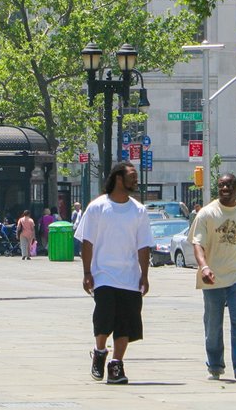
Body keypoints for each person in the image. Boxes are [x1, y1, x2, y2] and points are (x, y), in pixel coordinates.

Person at [74, 161, 154, 385]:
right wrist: (87, 272)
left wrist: (144, 275)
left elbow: (143, 246)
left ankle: (116, 364)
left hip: (129, 277)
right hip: (103, 275)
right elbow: (87, 242)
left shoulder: (139, 210)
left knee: (125, 323)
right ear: (118, 178)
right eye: (132, 176)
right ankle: (100, 351)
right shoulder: (98, 207)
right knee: (104, 317)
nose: (135, 180)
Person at [190, 173, 236, 381]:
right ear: (217, 188)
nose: (225, 188)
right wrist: (204, 267)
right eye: (222, 185)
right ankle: (215, 364)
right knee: (213, 325)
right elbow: (198, 244)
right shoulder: (207, 213)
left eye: (229, 185)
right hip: (212, 278)